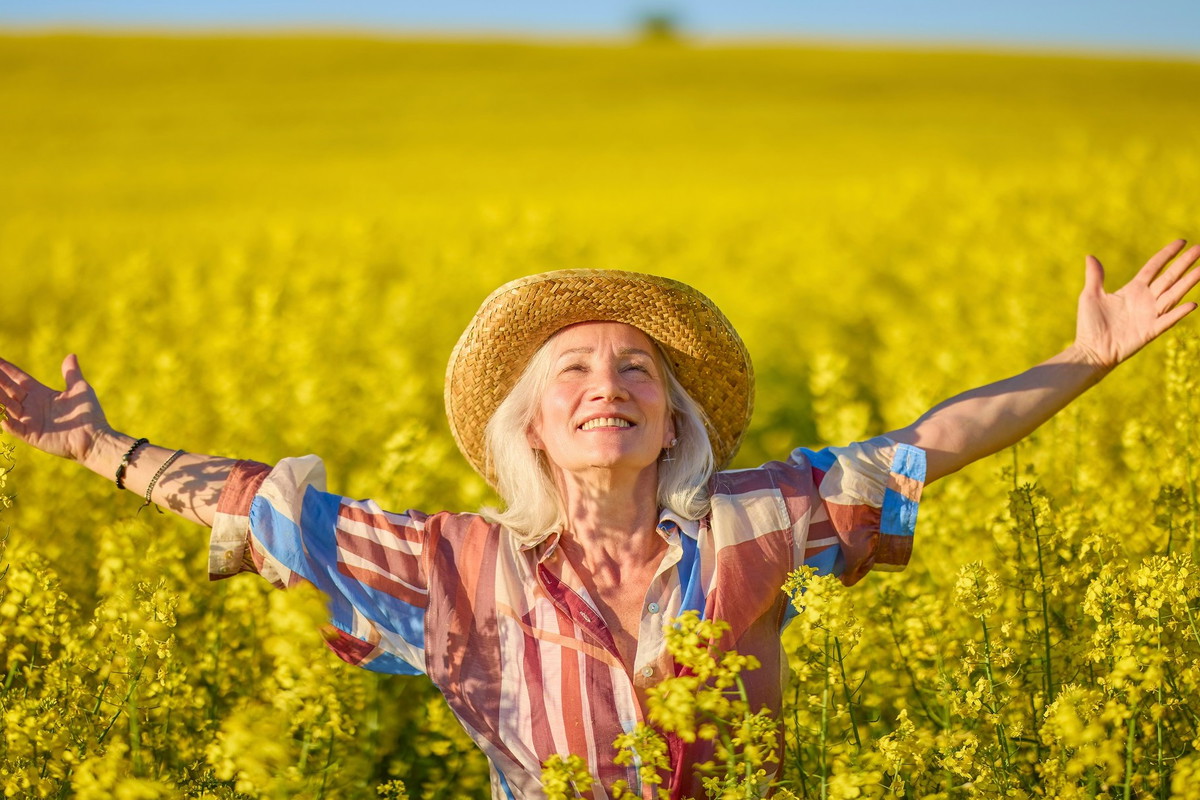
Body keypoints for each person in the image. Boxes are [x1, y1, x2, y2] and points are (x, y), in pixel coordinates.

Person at [1, 240, 1198, 799]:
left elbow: (930, 445)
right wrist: (97, 446)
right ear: (528, 426)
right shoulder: (452, 563)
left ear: (674, 424)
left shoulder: (755, 526)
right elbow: (271, 504)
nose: (607, 385)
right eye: (571, 371)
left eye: (637, 373)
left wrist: (1085, 356)